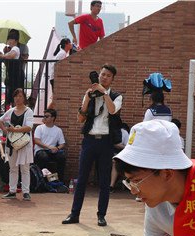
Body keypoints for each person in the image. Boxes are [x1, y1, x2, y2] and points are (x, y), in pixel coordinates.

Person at [62, 64, 122, 227]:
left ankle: (101, 215)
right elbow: (80, 119)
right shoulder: (89, 94)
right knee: (81, 179)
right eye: (102, 74)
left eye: (108, 75)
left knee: (104, 181)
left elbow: (112, 111)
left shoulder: (116, 96)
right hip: (89, 140)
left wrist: (104, 94)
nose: (104, 77)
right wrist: (88, 97)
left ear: (112, 79)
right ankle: (74, 214)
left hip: (106, 142)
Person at [0, 88, 34, 201]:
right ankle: (12, 191)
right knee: (13, 168)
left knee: (25, 168)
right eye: (16, 96)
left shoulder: (28, 111)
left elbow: (29, 127)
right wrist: (5, 130)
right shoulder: (11, 111)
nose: (18, 98)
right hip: (12, 143)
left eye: (20, 96)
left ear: (24, 98)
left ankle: (26, 192)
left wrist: (13, 130)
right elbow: (0, 120)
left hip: (24, 143)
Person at [33, 109, 67, 183]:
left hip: (52, 151)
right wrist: (49, 147)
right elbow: (37, 141)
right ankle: (43, 180)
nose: (44, 118)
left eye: (47, 116)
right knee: (43, 156)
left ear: (53, 118)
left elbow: (62, 144)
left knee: (61, 156)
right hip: (40, 150)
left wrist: (57, 148)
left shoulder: (58, 130)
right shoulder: (39, 128)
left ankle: (58, 180)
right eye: (44, 116)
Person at [0, 31, 22, 110]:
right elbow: (7, 56)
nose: (9, 41)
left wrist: (3, 56)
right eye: (9, 39)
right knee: (10, 95)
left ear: (16, 41)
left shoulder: (15, 48)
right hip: (12, 76)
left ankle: (14, 110)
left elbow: (11, 56)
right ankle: (11, 111)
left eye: (11, 39)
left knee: (14, 95)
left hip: (15, 76)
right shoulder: (11, 49)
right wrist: (3, 55)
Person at [109, 122, 130, 192]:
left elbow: (128, 147)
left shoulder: (124, 132)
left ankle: (111, 186)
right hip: (106, 152)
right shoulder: (107, 131)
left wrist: (117, 145)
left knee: (115, 161)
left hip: (119, 153)